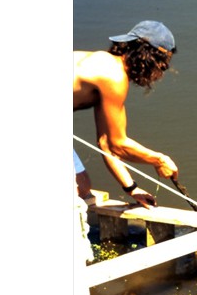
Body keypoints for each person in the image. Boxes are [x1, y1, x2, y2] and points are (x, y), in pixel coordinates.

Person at [73, 20, 180, 209]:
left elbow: (106, 144)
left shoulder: (105, 64)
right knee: (78, 190)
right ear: (149, 57)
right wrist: (159, 160)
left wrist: (132, 189)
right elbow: (118, 145)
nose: (159, 73)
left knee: (82, 187)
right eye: (162, 66)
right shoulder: (113, 76)